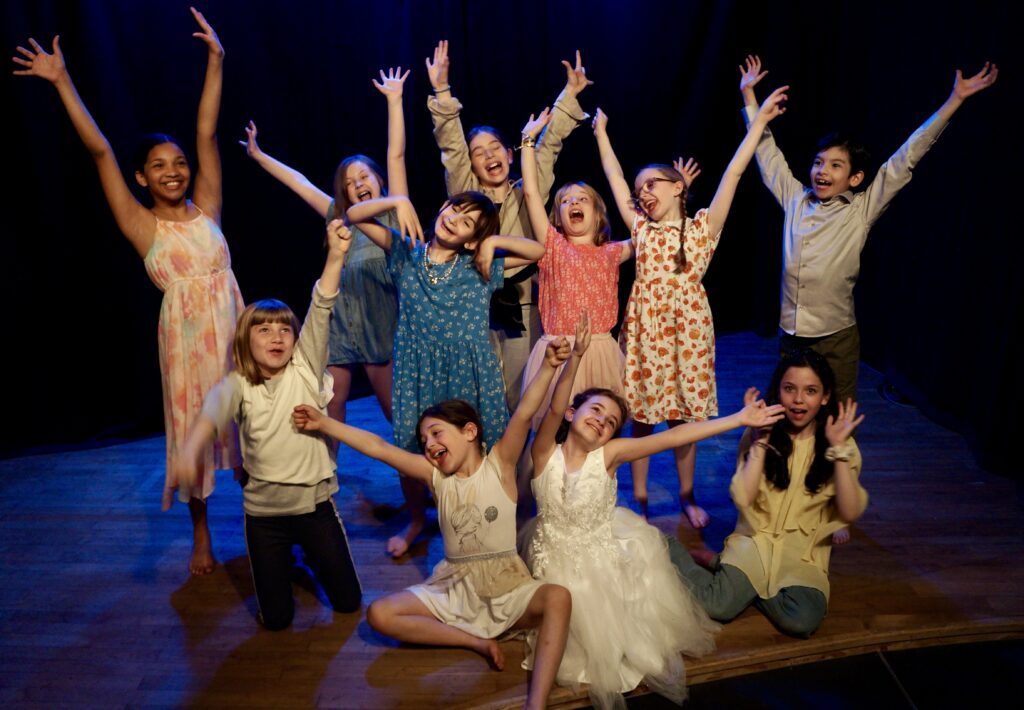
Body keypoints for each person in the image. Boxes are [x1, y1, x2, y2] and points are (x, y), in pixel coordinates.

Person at [13, 8, 244, 575]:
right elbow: (100, 151)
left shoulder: (208, 205)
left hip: (235, 331)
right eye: (159, 166)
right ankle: (201, 536)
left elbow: (207, 131)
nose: (173, 171)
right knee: (193, 428)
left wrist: (216, 60)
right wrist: (63, 81)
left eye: (179, 164)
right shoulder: (142, 225)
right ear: (142, 177)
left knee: (254, 427)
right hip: (186, 345)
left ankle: (271, 523)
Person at [292, 339, 576, 710]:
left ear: (470, 432)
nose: (428, 443)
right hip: (456, 590)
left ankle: (535, 704)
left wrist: (550, 367)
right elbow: (378, 447)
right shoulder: (435, 478)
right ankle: (474, 640)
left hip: (506, 589)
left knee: (558, 596)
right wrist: (325, 422)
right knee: (379, 614)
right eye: (424, 439)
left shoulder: (500, 465)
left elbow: (523, 414)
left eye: (437, 433)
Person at [524, 315, 784, 709]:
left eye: (611, 422)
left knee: (620, 647)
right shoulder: (545, 452)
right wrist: (574, 359)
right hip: (552, 559)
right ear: (574, 413)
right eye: (595, 410)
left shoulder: (608, 457)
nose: (600, 421)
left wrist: (737, 419)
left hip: (597, 560)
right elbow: (555, 403)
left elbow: (673, 436)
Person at [349, 71, 545, 556]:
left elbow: (539, 249)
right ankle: (427, 522)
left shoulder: (479, 265)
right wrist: (395, 200)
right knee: (417, 449)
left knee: (480, 450)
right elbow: (352, 215)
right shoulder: (406, 252)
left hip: (470, 369)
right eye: (455, 209)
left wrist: (494, 240)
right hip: (420, 368)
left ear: (473, 239)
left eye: (469, 222)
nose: (455, 219)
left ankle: (489, 527)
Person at [737, 55, 998, 404]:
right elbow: (767, 155)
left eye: (835, 165)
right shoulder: (796, 199)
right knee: (788, 414)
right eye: (818, 162)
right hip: (793, 334)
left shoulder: (860, 210)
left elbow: (905, 158)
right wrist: (749, 98)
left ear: (855, 178)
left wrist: (955, 101)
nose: (821, 171)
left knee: (839, 419)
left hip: (836, 337)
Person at [593, 86, 789, 526]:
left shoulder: (702, 229)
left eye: (652, 184)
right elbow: (614, 177)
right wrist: (602, 133)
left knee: (684, 422)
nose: (642, 192)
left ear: (678, 187)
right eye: (640, 187)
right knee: (642, 418)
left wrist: (757, 121)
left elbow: (734, 174)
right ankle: (640, 497)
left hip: (689, 334)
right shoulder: (640, 228)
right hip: (645, 331)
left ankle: (686, 494)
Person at [174, 220, 361, 630]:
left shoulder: (306, 370)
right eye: (263, 329)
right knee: (276, 621)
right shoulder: (237, 385)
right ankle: (286, 561)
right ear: (246, 340)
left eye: (284, 330)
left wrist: (335, 256)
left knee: (349, 603)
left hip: (315, 510)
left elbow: (322, 304)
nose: (276, 337)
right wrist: (190, 451)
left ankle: (311, 554)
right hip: (265, 518)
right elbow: (210, 415)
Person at [425, 40, 591, 409]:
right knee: (476, 398)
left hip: (525, 304)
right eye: (478, 152)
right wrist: (441, 91)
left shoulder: (527, 190)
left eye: (495, 147)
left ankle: (515, 467)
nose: (488, 155)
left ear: (509, 153)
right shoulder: (466, 196)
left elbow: (546, 149)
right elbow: (451, 147)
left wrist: (569, 94)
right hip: (473, 305)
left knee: (521, 398)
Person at [237, 69, 407, 427]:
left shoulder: (394, 215)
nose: (357, 184)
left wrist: (395, 102)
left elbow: (397, 153)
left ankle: (420, 479)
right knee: (330, 407)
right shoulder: (338, 215)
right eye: (349, 183)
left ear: (379, 180)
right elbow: (299, 183)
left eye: (364, 177)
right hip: (341, 330)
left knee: (399, 417)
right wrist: (259, 156)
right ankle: (325, 474)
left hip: (382, 332)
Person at [668, 349, 867, 638]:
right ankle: (670, 548)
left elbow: (849, 511)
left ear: (825, 397)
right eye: (790, 389)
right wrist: (760, 443)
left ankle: (720, 565)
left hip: (803, 554)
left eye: (810, 391)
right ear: (779, 392)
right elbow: (744, 498)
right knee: (718, 607)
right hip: (754, 543)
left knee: (801, 622)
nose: (799, 399)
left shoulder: (841, 444)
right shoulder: (760, 434)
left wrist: (839, 452)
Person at [517, 108, 632, 432]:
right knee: (555, 433)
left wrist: (602, 136)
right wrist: (528, 141)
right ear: (558, 216)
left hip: (599, 352)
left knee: (599, 429)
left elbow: (646, 230)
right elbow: (530, 193)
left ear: (598, 215)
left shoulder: (611, 252)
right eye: (566, 201)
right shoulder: (552, 246)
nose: (574, 203)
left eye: (583, 199)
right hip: (559, 349)